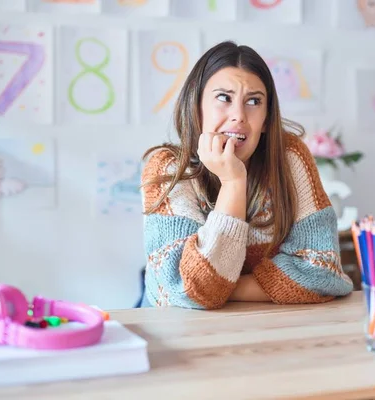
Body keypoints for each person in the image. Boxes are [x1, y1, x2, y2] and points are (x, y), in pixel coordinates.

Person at [138, 40, 354, 309]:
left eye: (253, 101)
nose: (239, 115)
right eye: (223, 98)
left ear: (265, 118)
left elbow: (323, 272)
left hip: (261, 329)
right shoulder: (168, 168)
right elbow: (186, 291)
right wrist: (232, 182)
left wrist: (221, 287)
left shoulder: (290, 157)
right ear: (197, 106)